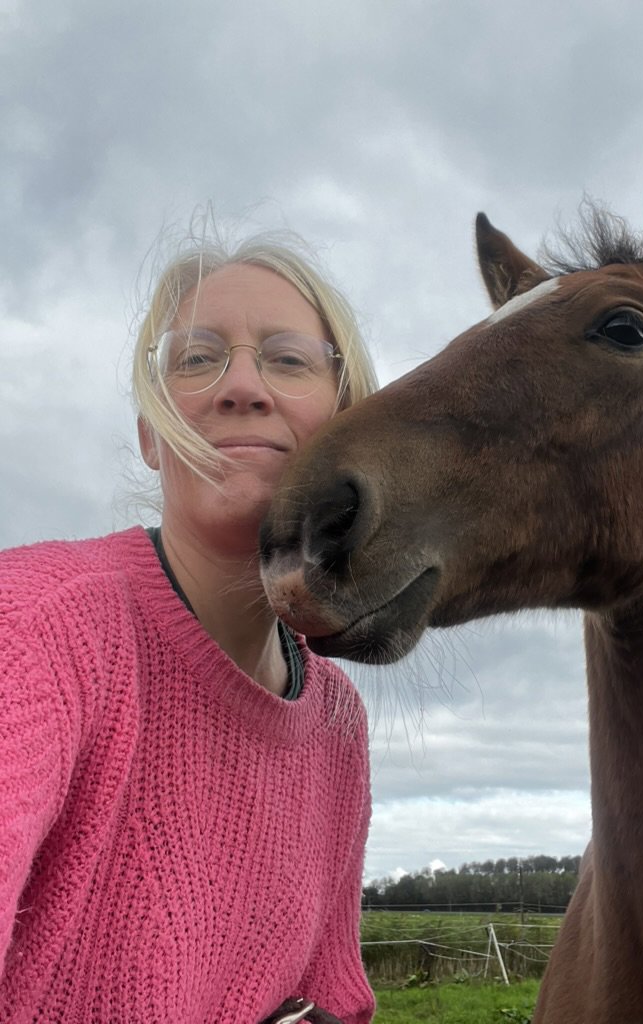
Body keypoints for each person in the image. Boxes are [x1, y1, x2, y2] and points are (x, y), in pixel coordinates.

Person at [0, 227, 379, 1023]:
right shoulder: (34, 626)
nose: (241, 387)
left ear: (349, 422)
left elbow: (331, 996)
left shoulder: (337, 721)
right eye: (197, 358)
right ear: (150, 432)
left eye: (288, 359)